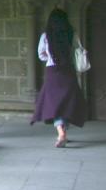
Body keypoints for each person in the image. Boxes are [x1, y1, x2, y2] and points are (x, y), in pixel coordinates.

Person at [31, 8, 87, 147]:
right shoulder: (71, 34)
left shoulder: (46, 36)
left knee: (54, 104)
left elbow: (40, 54)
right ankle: (63, 132)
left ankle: (61, 133)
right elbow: (78, 50)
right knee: (67, 102)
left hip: (52, 72)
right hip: (68, 70)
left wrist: (50, 57)